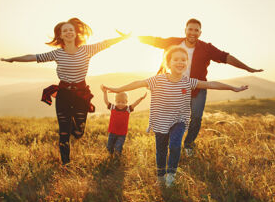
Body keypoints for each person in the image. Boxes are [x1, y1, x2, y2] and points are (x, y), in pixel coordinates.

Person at [103, 46, 248, 187]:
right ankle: (160, 176)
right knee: (161, 150)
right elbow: (137, 83)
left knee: (175, 145)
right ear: (168, 63)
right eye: (176, 59)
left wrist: (232, 88)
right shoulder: (157, 80)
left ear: (187, 63)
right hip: (160, 121)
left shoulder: (188, 81)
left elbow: (211, 84)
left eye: (183, 60)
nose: (180, 62)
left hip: (179, 120)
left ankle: (171, 175)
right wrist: (116, 89)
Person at [1, 17, 130, 165]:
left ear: (76, 33)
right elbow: (33, 57)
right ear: (61, 35)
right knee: (63, 131)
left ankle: (72, 130)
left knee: (79, 132)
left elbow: (105, 44)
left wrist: (124, 37)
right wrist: (13, 59)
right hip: (63, 94)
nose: (68, 32)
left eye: (71, 30)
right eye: (65, 31)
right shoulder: (57, 54)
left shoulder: (87, 50)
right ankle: (65, 164)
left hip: (81, 95)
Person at [137, 18, 263, 156]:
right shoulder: (173, 42)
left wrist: (248, 69)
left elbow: (225, 57)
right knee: (171, 116)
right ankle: (170, 143)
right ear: (185, 30)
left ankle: (189, 144)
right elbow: (154, 40)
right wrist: (132, 36)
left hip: (198, 87)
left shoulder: (206, 48)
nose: (193, 32)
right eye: (190, 29)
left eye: (196, 30)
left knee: (196, 118)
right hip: (175, 87)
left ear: (200, 33)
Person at [101, 85, 147, 156]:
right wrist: (105, 93)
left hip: (122, 134)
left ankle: (117, 158)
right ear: (115, 101)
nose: (120, 104)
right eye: (118, 102)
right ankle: (110, 158)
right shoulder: (113, 107)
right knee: (109, 147)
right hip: (112, 132)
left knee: (118, 147)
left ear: (126, 102)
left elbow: (135, 104)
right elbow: (106, 102)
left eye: (123, 102)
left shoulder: (127, 109)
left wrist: (141, 98)